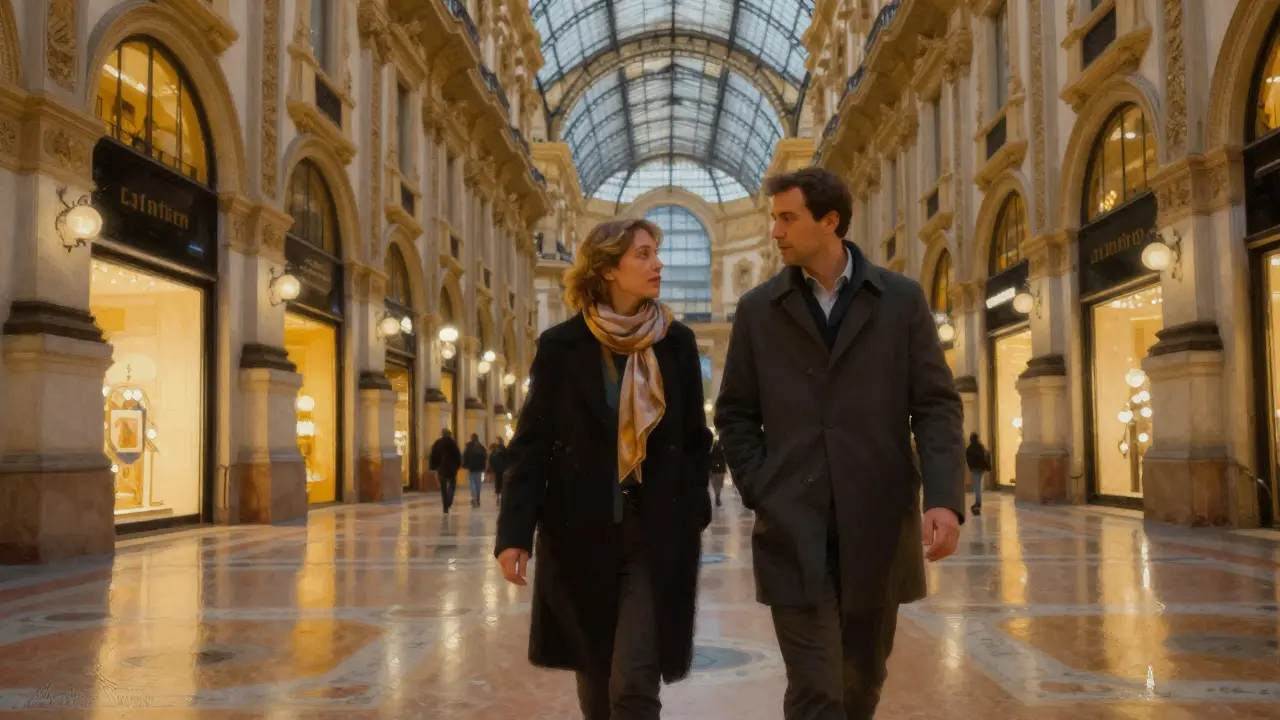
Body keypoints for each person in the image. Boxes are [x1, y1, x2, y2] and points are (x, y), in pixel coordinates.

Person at [714, 167, 965, 720]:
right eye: (772, 219)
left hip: (877, 525)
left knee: (860, 685)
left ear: (830, 221)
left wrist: (944, 496)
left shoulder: (899, 301)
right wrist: (763, 487)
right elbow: (734, 413)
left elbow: (935, 405)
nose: (775, 232)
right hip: (793, 526)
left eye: (787, 218)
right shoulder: (759, 310)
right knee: (816, 690)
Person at [496, 217, 713, 720]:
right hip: (580, 537)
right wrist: (514, 533)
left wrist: (692, 510)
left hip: (654, 536)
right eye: (642, 254)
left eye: (656, 252)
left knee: (634, 685)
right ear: (608, 268)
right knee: (595, 688)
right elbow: (531, 446)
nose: (658, 263)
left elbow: (695, 441)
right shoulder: (563, 347)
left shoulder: (675, 343)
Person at [427, 429, 462, 515]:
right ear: (449, 435)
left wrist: (432, 467)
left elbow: (433, 456)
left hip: (441, 469)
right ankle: (449, 501)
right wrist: (457, 466)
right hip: (451, 469)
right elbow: (458, 456)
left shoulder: (437, 443)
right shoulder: (453, 444)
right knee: (452, 485)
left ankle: (445, 506)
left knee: (443, 488)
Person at [965, 433, 992, 517]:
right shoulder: (980, 447)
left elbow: (968, 459)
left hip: (974, 469)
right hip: (980, 469)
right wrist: (987, 466)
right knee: (978, 485)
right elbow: (984, 457)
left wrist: (971, 467)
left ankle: (977, 503)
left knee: (977, 486)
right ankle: (977, 503)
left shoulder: (969, 448)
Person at [463, 433, 488, 508]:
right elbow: (485, 456)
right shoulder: (481, 446)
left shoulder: (469, 446)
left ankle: (473, 497)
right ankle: (477, 497)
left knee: (472, 483)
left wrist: (465, 465)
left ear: (472, 438)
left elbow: (465, 456)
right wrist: (484, 467)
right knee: (478, 483)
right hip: (479, 468)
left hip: (471, 468)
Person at [709, 438, 728, 507]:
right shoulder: (722, 451)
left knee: (717, 484)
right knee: (719, 484)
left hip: (716, 470)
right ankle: (717, 496)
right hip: (720, 470)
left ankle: (717, 496)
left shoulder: (714, 452)